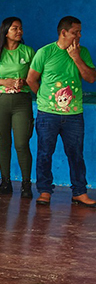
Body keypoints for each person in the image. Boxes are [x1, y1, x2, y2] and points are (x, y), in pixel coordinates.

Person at [27, 16, 96, 207]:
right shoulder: (45, 52)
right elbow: (31, 79)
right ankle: (45, 191)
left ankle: (79, 193)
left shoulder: (83, 52)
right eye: (75, 32)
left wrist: (76, 58)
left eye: (80, 32)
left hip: (74, 115)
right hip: (47, 114)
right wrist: (44, 99)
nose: (79, 35)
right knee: (44, 153)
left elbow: (91, 78)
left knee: (76, 154)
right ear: (63, 32)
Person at [0, 17, 35, 198]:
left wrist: (24, 82)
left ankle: (26, 185)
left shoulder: (28, 52)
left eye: (21, 28)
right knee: (3, 144)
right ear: (6, 32)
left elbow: (36, 77)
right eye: (15, 28)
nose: (19, 31)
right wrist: (4, 81)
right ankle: (5, 183)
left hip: (22, 102)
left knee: (22, 143)